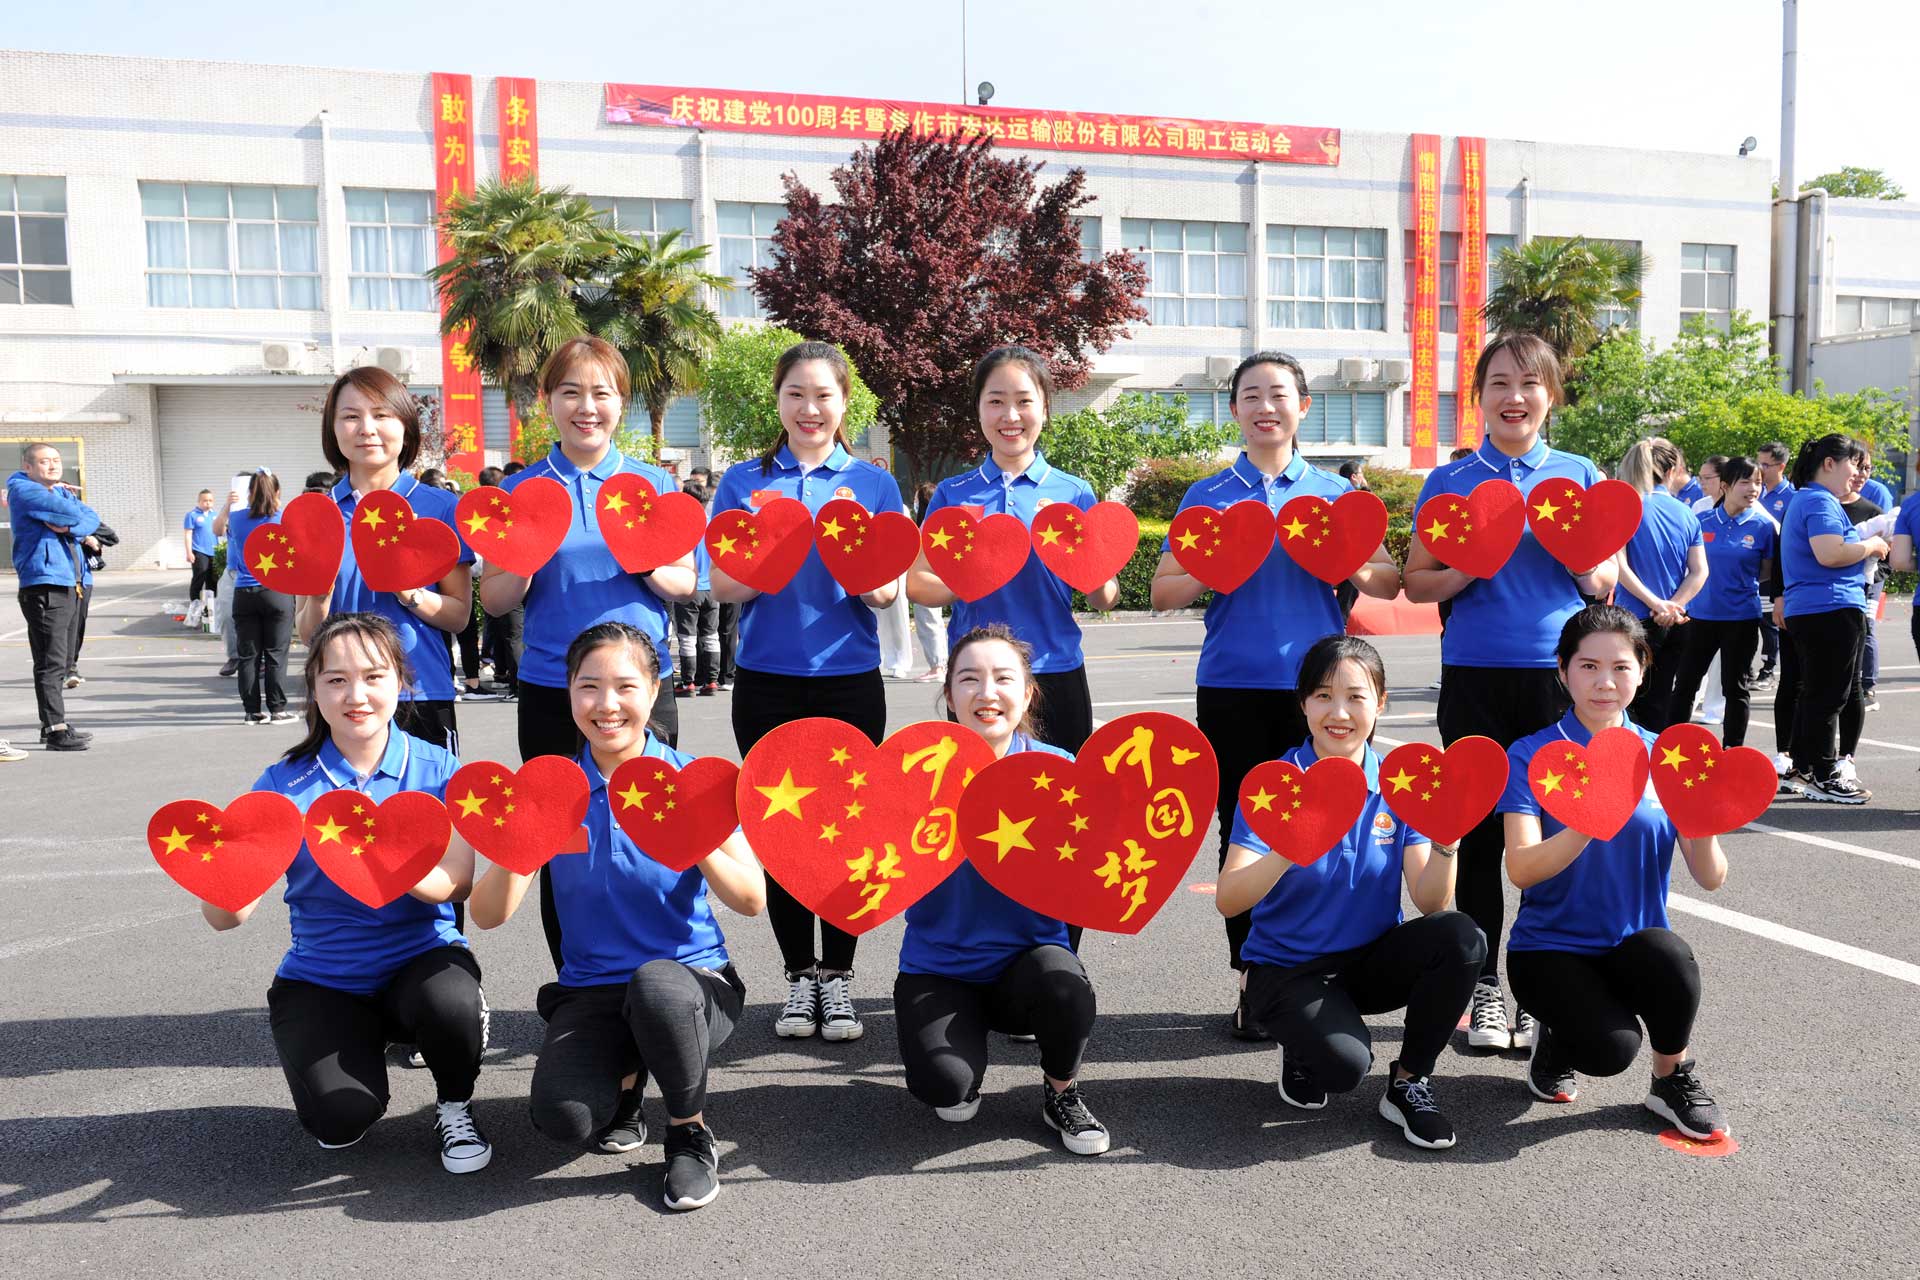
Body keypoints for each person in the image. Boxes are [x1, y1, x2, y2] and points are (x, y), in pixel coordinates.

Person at [1148, 351, 1399, 1040]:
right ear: (1233, 409)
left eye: (1279, 394)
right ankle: (1252, 978)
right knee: (1243, 829)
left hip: (1322, 694)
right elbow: (1163, 592)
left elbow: (1387, 582)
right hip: (1232, 686)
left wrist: (1343, 557)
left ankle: (1320, 972)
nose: (1266, 406)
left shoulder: (1336, 494)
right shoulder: (1207, 496)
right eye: (1251, 394)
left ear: (1303, 407)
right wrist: (1220, 564)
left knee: (1330, 826)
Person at [470, 622, 764, 1211]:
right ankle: (627, 1085)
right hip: (593, 988)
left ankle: (687, 1131)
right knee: (563, 1118)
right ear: (569, 692)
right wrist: (522, 842)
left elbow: (751, 899)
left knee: (656, 988)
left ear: (654, 691)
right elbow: (487, 915)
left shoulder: (694, 780)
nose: (607, 705)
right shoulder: (552, 789)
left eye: (625, 686)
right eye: (589, 686)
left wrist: (689, 835)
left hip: (690, 984)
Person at [202, 612, 491, 1172]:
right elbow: (226, 916)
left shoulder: (438, 769)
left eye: (374, 676)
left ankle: (455, 1103)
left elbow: (458, 882)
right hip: (323, 976)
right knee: (339, 1121)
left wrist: (381, 857)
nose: (356, 695)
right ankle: (350, 1049)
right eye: (336, 679)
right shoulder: (282, 785)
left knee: (450, 1005)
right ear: (313, 689)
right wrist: (215, 880)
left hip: (422, 960)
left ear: (400, 682)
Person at [1402, 333, 1618, 1053]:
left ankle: (1541, 986)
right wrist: (1469, 566)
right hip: (1475, 676)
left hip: (1558, 679)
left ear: (1551, 395)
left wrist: (1578, 556)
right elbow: (1417, 583)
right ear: (1479, 397)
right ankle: (1486, 986)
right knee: (1482, 834)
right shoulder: (1449, 480)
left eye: (1529, 382)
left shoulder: (1577, 473)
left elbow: (1602, 581)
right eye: (1498, 382)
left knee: (1553, 832)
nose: (1514, 396)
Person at [480, 337, 696, 977]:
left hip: (640, 692)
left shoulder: (653, 483)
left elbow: (687, 582)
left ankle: (658, 977)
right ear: (547, 400)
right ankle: (578, 982)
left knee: (649, 834)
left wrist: (647, 560)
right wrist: (523, 561)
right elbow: (494, 600)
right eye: (570, 392)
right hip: (554, 692)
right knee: (561, 842)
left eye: (602, 393)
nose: (586, 407)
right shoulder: (521, 489)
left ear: (621, 403)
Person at [1217, 635, 1484, 1149]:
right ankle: (1299, 1044)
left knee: (1461, 937)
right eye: (1323, 695)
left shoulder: (1401, 784)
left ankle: (1409, 1084)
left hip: (1368, 962)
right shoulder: (1275, 784)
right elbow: (1229, 898)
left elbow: (1431, 903)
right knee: (1343, 1068)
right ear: (1303, 703)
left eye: (1356, 697)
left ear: (1380, 703)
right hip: (1288, 968)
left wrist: (1447, 841)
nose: (1339, 713)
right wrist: (1289, 847)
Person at [712, 340, 907, 1042]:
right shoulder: (744, 482)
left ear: (844, 402)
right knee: (783, 831)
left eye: (823, 394)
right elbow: (722, 586)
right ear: (778, 400)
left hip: (848, 680)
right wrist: (776, 542)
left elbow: (887, 593)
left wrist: (857, 555)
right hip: (766, 681)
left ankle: (840, 978)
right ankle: (800, 977)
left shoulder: (873, 485)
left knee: (848, 831)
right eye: (795, 393)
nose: (809, 408)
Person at [1500, 605, 1730, 1141]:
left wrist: (1703, 818)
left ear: (1642, 672)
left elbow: (1711, 876)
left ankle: (1670, 1079)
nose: (1605, 682)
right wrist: (1591, 818)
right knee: (1609, 1052)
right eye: (1588, 666)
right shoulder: (1532, 755)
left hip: (1632, 948)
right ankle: (1554, 1038)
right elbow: (1522, 869)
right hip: (1549, 948)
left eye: (1621, 667)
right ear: (1563, 671)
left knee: (1670, 955)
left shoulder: (1666, 758)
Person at [895, 625, 1110, 1155]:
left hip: (1028, 965)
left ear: (1029, 693)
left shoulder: (1059, 771)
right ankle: (962, 1061)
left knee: (1065, 987)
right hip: (939, 967)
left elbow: (1098, 876)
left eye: (1003, 678)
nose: (986, 693)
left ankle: (1061, 1091)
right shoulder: (912, 773)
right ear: (949, 695)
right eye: (969, 678)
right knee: (945, 1089)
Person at [908, 346, 1123, 758]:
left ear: (1044, 408)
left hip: (1055, 669)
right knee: (979, 791)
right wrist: (971, 579)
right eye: (996, 402)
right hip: (978, 679)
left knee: (1062, 791)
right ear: (978, 410)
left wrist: (1093, 578)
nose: (1010, 415)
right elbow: (917, 583)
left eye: (1024, 401)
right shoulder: (953, 494)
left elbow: (1105, 596)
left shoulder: (1074, 493)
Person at [293, 369, 479, 753]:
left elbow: (459, 616)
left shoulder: (441, 508)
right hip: (343, 700)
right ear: (333, 429)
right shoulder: (315, 516)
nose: (367, 428)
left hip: (421, 693)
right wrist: (319, 597)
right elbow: (309, 634)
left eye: (381, 415)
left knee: (428, 793)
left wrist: (409, 591)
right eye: (351, 416)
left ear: (405, 426)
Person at [1775, 435, 1887, 804]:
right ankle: (1824, 773)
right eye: (1853, 464)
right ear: (1829, 464)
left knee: (1819, 691)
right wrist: (1871, 545)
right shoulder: (1819, 500)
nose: (1858, 473)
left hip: (1818, 607)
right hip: (1829, 607)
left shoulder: (1808, 499)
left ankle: (1807, 767)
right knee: (1828, 695)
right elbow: (1830, 553)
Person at [1667, 456, 1776, 749]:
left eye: (1758, 483)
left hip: (1741, 618)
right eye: (1746, 482)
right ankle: (1672, 748)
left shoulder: (1763, 527)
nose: (1753, 489)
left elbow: (1766, 571)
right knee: (1685, 685)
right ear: (1725, 486)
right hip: (1699, 617)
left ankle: (1732, 750)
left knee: (1735, 688)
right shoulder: (1700, 520)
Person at [9, 442, 99, 750]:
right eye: (44, 461)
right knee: (51, 661)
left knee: (60, 660)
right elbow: (72, 513)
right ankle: (54, 730)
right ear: (28, 467)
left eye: (57, 460)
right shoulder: (25, 490)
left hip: (67, 582)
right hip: (45, 584)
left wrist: (71, 526)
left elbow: (91, 517)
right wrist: (72, 514)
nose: (53, 465)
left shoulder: (56, 492)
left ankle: (53, 724)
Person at [1613, 438, 1705, 732]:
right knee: (1661, 702)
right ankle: (1654, 758)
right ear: (1671, 470)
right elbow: (1699, 571)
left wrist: (1656, 604)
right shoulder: (1686, 513)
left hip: (1633, 620)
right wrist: (1672, 605)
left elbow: (1620, 567)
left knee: (1625, 703)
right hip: (1676, 621)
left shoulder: (1626, 508)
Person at [217, 470, 297, 725]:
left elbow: (218, 530)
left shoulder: (237, 518)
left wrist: (228, 505)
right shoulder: (286, 519)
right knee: (276, 653)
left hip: (244, 592)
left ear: (249, 492)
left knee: (248, 655)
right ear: (278, 492)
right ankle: (277, 709)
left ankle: (251, 711)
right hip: (277, 592)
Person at [673, 481, 721, 697]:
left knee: (687, 638)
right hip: (711, 588)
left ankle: (688, 683)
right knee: (711, 636)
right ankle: (712, 681)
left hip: (688, 588)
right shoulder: (713, 526)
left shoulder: (682, 527)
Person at [1753, 441, 1795, 686]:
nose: (1760, 469)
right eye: (1758, 463)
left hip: (1776, 568)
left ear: (1781, 466)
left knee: (1769, 622)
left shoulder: (1792, 497)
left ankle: (1768, 668)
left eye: (1766, 465)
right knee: (1753, 621)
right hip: (1752, 566)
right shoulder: (1755, 492)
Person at [910, 480, 949, 683]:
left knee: (928, 620)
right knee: (932, 621)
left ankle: (937, 666)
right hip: (934, 576)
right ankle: (939, 664)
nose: (914, 502)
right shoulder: (934, 522)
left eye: (917, 498)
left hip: (928, 577)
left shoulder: (929, 523)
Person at [183, 489, 218, 627]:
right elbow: (188, 534)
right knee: (199, 579)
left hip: (214, 552)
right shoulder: (192, 515)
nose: (207, 503)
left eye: (210, 500)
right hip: (199, 551)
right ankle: (194, 612)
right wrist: (189, 552)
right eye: (205, 500)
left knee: (213, 582)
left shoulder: (215, 515)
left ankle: (210, 613)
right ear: (199, 501)